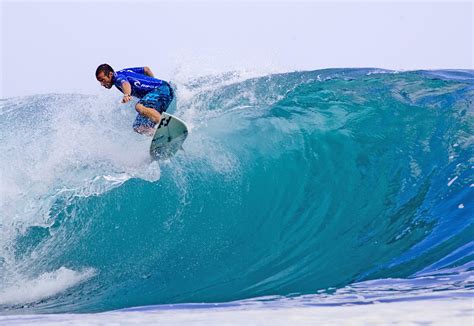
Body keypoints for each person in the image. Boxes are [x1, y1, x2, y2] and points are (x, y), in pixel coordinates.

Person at [95, 64, 174, 135]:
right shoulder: (125, 72)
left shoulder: (117, 78)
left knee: (139, 106)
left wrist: (127, 95)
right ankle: (161, 135)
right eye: (100, 81)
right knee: (138, 127)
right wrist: (152, 81)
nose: (102, 84)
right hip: (163, 90)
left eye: (103, 80)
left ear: (110, 74)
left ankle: (168, 128)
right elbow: (146, 69)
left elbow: (125, 84)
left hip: (161, 89)